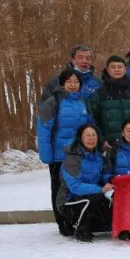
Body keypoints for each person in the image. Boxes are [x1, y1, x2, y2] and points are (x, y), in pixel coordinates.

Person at [38, 69, 95, 235]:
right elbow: (43, 130)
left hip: (79, 154)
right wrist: (47, 155)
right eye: (69, 81)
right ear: (62, 84)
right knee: (59, 190)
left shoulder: (84, 101)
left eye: (76, 82)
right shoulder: (52, 102)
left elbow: (90, 126)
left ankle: (76, 219)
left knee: (77, 187)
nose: (73, 85)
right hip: (59, 156)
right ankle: (63, 223)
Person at [58, 124, 113, 242]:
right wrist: (100, 189)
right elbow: (75, 187)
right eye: (87, 135)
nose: (91, 138)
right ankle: (80, 228)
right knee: (91, 199)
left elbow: (104, 174)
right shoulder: (72, 159)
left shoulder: (99, 156)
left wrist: (109, 180)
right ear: (80, 138)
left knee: (109, 202)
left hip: (92, 196)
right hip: (69, 201)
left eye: (94, 135)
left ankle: (94, 225)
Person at [90, 55, 130, 147]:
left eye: (120, 67)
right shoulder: (99, 93)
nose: (117, 70)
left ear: (125, 69)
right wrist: (102, 140)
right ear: (107, 70)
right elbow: (94, 119)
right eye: (113, 67)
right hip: (109, 144)